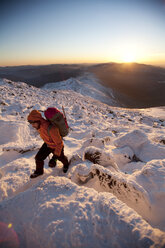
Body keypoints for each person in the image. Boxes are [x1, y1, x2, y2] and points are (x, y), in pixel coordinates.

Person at [27, 109, 69, 178]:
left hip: (57, 146)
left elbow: (59, 144)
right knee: (38, 158)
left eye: (33, 124)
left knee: (61, 158)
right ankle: (39, 172)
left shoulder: (52, 129)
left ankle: (66, 164)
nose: (33, 126)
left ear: (38, 121)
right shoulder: (39, 126)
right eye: (31, 124)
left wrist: (54, 158)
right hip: (47, 144)